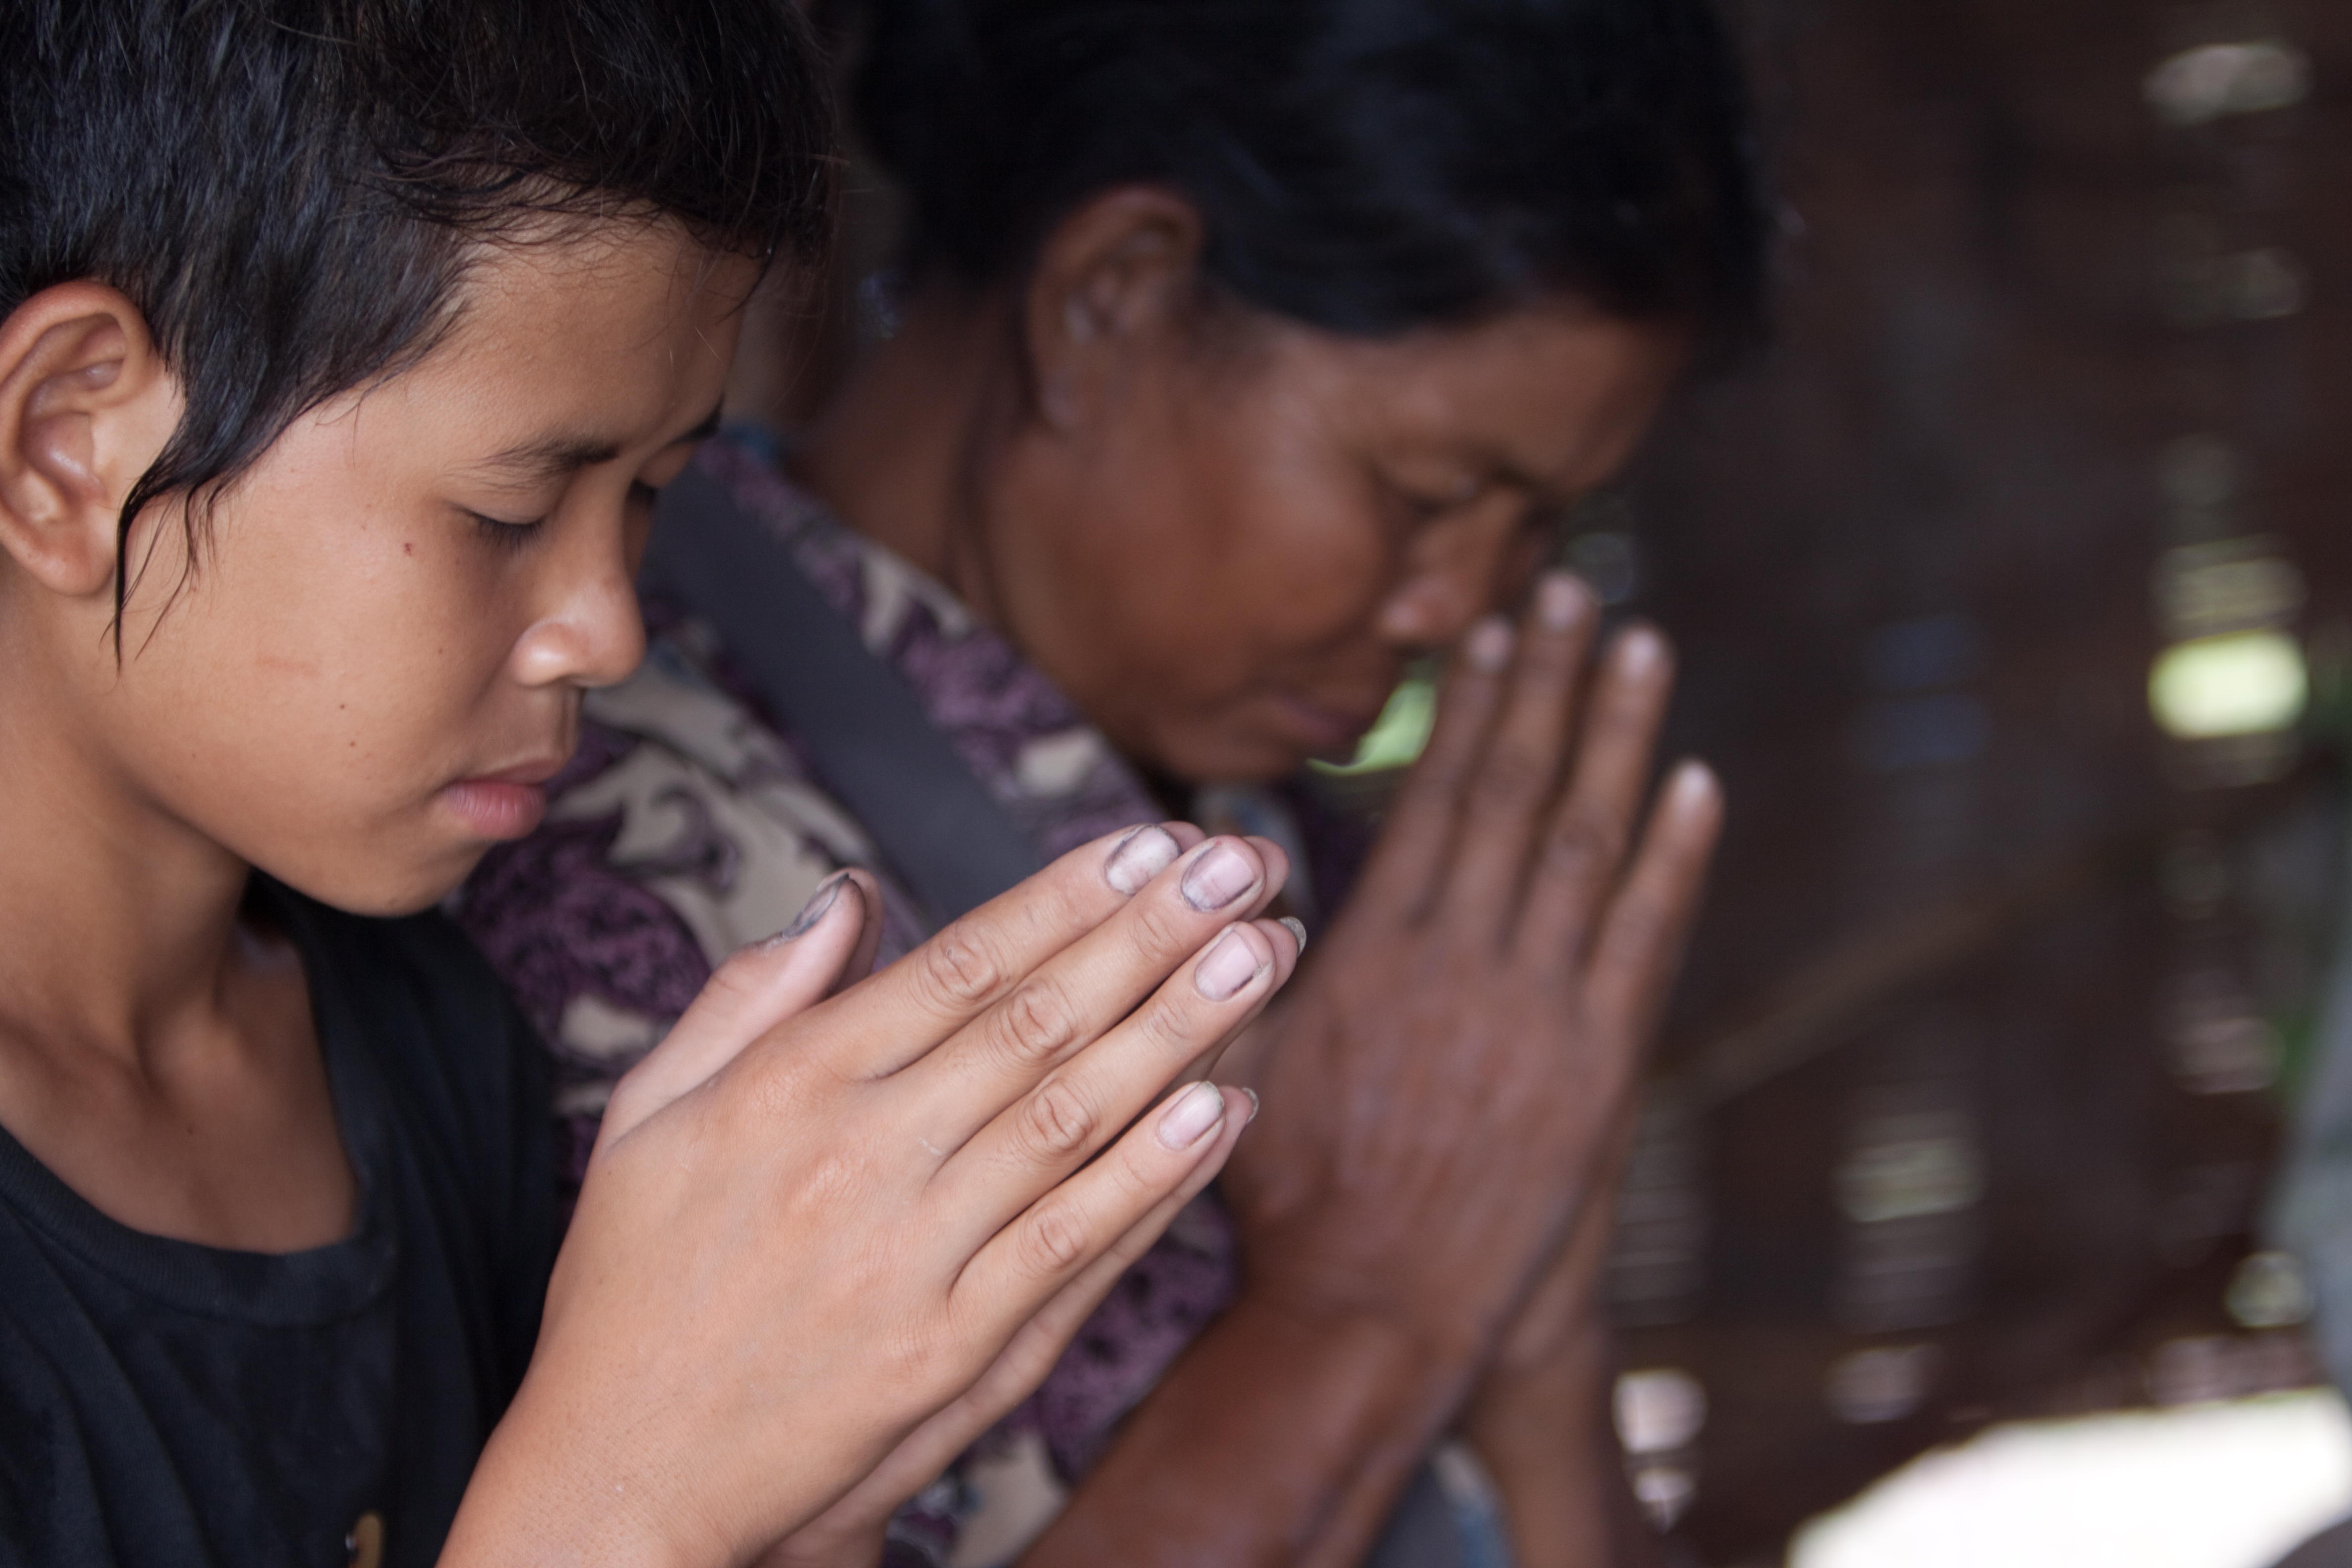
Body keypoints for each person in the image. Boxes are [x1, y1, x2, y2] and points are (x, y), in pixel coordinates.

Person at [456, 0, 1765, 1563]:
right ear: (1110, 300)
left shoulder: (1328, 889)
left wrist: (1534, 1333)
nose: (1462, 604)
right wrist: (1368, 1313)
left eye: (1537, 526)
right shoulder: (577, 837)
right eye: (1424, 496)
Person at [0, 2, 1306, 1562]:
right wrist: (627, 1505)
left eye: (652, 499)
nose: (609, 629)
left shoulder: (428, 1044)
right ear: (69, 448)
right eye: (512, 507)